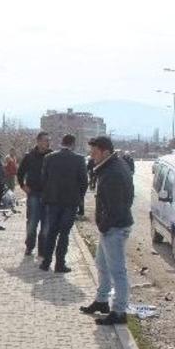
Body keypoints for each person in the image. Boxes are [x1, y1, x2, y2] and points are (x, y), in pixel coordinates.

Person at [80, 136, 135, 325]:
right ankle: (102, 301)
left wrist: (104, 225)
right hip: (111, 227)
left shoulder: (113, 173)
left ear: (105, 152)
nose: (92, 156)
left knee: (117, 271)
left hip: (115, 228)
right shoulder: (113, 166)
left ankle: (119, 312)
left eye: (94, 153)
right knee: (101, 264)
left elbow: (116, 206)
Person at [39, 134, 88, 273]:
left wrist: (48, 194)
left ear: (62, 143)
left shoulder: (49, 158)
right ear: (73, 144)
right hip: (70, 202)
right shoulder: (79, 159)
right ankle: (60, 264)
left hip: (52, 201)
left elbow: (43, 179)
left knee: (51, 232)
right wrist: (79, 199)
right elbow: (84, 182)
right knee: (64, 234)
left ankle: (46, 262)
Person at [17, 132, 53, 256]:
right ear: (38, 141)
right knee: (32, 222)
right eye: (45, 140)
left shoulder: (52, 156)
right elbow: (20, 172)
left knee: (46, 224)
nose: (47, 143)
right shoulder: (29, 156)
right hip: (33, 194)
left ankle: (42, 249)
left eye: (49, 140)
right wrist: (22, 185)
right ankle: (29, 246)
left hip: (48, 196)